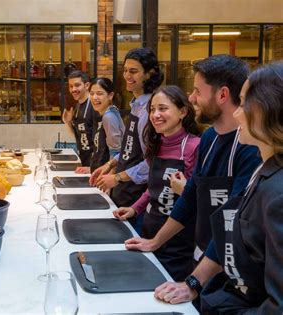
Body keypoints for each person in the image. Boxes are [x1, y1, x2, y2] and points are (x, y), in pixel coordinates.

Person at [124, 55, 262, 305]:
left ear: (222, 95)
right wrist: (154, 242)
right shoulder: (209, 138)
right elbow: (189, 199)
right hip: (201, 261)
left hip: (231, 274)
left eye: (198, 91)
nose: (191, 97)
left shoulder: (249, 149)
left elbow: (231, 224)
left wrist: (193, 283)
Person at [198, 62, 283, 314]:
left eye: (244, 103)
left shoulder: (277, 194)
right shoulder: (266, 169)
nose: (236, 113)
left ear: (268, 109)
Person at [113, 85, 201, 281]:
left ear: (183, 112)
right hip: (148, 229)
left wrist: (184, 189)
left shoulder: (195, 146)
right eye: (152, 109)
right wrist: (134, 209)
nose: (155, 115)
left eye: (163, 108)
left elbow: (195, 201)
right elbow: (153, 188)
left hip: (176, 241)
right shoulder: (156, 143)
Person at [90, 47, 163, 232]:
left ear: (149, 74)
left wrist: (116, 177)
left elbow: (152, 162)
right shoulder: (136, 105)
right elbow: (129, 148)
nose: (127, 76)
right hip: (123, 194)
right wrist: (110, 164)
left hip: (135, 200)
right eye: (125, 71)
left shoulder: (149, 110)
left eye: (134, 71)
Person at [62, 71, 99, 173]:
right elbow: (77, 135)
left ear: (87, 85)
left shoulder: (94, 106)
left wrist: (94, 167)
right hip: (84, 162)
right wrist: (68, 123)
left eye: (77, 85)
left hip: (96, 166)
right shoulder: (78, 106)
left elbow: (103, 141)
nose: (73, 89)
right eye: (71, 86)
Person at [88, 77, 124, 172]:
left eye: (99, 93)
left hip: (105, 178)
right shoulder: (104, 114)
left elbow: (117, 153)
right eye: (91, 93)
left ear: (110, 95)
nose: (94, 97)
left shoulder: (109, 116)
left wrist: (109, 179)